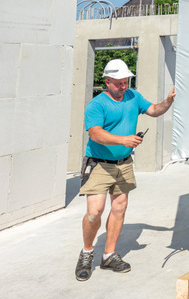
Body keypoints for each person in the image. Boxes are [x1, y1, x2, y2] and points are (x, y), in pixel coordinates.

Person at [74, 59, 175, 281]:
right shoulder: (97, 105)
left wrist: (167, 101)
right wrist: (123, 140)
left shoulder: (133, 97)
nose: (123, 86)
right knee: (94, 212)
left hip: (124, 163)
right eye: (118, 82)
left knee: (119, 208)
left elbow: (155, 110)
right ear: (107, 81)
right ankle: (87, 252)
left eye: (126, 81)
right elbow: (96, 134)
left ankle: (109, 255)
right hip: (99, 163)